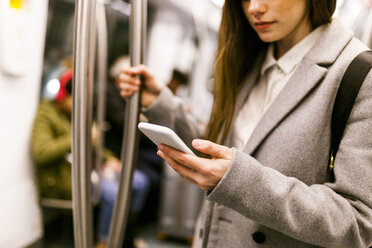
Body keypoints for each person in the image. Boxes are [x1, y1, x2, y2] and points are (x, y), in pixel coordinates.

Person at [117, 0, 372, 247]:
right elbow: (225, 148)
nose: (254, 8)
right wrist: (161, 103)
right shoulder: (250, 59)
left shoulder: (357, 74)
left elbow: (357, 222)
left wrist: (239, 180)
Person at [31, 68, 150, 248]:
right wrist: (78, 136)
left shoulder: (75, 113)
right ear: (63, 96)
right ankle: (104, 241)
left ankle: (124, 231)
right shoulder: (45, 114)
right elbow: (42, 152)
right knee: (114, 193)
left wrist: (109, 158)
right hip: (64, 175)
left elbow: (93, 145)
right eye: (76, 100)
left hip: (91, 168)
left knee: (140, 182)